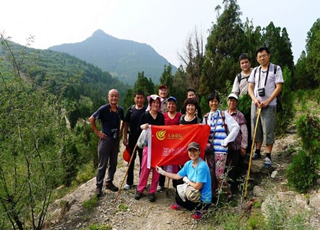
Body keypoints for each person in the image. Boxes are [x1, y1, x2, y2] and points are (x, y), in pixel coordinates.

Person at [248, 46, 284, 168]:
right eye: (259, 56)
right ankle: (257, 151)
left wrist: (268, 100)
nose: (262, 58)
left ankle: (268, 155)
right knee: (256, 128)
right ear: (257, 59)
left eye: (264, 55)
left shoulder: (276, 69)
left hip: (270, 105)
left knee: (268, 129)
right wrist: (254, 99)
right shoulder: (255, 71)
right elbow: (250, 87)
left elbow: (279, 87)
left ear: (269, 55)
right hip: (256, 104)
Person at [156, 142, 212, 220]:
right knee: (178, 183)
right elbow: (176, 176)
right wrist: (162, 172)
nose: (192, 153)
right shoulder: (188, 164)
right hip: (192, 191)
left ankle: (202, 209)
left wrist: (187, 181)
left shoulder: (202, 166)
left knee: (183, 198)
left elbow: (198, 186)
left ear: (199, 152)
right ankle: (183, 203)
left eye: (195, 150)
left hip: (202, 198)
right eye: (190, 151)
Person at [203, 92, 239, 197]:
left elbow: (236, 127)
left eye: (215, 101)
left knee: (219, 175)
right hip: (209, 151)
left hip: (221, 150)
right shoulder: (206, 117)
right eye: (211, 101)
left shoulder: (224, 115)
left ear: (218, 103)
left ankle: (228, 193)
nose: (213, 103)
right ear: (208, 103)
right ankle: (213, 196)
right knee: (211, 175)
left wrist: (226, 141)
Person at [89, 89, 124, 197]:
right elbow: (91, 119)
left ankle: (109, 182)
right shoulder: (104, 109)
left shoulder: (120, 110)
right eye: (112, 96)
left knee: (113, 163)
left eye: (116, 96)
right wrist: (97, 132)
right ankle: (99, 186)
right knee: (102, 164)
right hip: (105, 139)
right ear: (108, 97)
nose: (114, 98)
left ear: (118, 97)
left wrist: (121, 131)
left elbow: (123, 120)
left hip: (115, 139)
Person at [135, 94, 165, 202]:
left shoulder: (161, 117)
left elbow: (164, 131)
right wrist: (142, 127)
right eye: (154, 103)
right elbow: (138, 129)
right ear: (150, 104)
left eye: (158, 103)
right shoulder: (145, 115)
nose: (156, 105)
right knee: (145, 169)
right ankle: (140, 189)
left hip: (158, 148)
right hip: (148, 146)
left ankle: (152, 191)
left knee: (157, 170)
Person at [122, 90, 147, 190]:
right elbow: (125, 124)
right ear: (134, 98)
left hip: (143, 139)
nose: (139, 100)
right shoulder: (130, 110)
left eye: (141, 97)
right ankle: (129, 182)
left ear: (144, 99)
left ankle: (142, 182)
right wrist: (124, 137)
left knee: (143, 161)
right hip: (132, 138)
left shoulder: (146, 110)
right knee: (131, 160)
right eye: (137, 97)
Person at [157, 96, 183, 192]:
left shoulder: (180, 116)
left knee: (176, 164)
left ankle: (176, 184)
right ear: (166, 105)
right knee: (163, 163)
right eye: (169, 104)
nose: (171, 105)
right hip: (165, 145)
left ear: (176, 105)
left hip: (176, 145)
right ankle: (161, 184)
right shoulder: (163, 116)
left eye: (173, 104)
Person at [225, 93, 248, 194]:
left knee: (233, 169)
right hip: (224, 147)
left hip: (235, 147)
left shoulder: (240, 115)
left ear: (237, 102)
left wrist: (244, 146)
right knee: (225, 167)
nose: (232, 102)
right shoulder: (223, 114)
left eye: (234, 100)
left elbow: (244, 132)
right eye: (230, 100)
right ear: (227, 102)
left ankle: (231, 190)